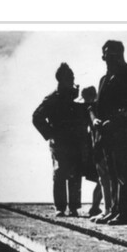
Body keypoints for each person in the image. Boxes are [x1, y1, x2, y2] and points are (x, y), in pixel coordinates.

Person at [91, 40, 127, 225]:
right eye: (106, 54)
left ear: (120, 54)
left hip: (126, 134)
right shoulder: (104, 79)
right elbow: (97, 106)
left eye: (112, 54)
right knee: (113, 174)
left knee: (126, 175)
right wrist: (96, 120)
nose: (107, 58)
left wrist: (114, 121)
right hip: (107, 135)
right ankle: (114, 210)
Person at [32, 62, 89, 217]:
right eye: (68, 78)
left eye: (72, 77)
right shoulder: (52, 99)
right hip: (60, 142)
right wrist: (51, 134)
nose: (71, 80)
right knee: (60, 173)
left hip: (75, 140)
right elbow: (37, 117)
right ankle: (60, 207)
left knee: (76, 173)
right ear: (60, 79)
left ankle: (74, 207)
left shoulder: (75, 97)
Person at [80, 85, 111, 218]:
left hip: (96, 146)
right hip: (98, 146)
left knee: (102, 179)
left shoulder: (91, 109)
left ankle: (96, 206)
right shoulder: (94, 108)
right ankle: (97, 206)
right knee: (103, 178)